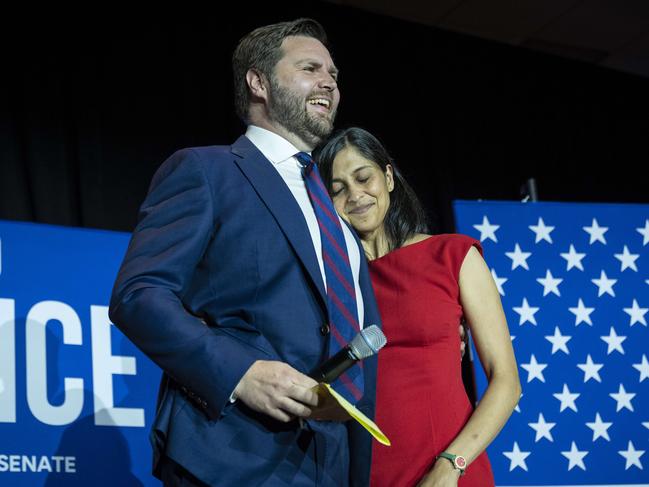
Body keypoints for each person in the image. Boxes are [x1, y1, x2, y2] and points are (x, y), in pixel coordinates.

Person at [109, 19, 383, 486]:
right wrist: (243, 373)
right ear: (259, 82)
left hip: (331, 465)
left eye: (334, 75)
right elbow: (139, 294)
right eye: (310, 68)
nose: (329, 83)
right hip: (231, 456)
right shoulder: (206, 170)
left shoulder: (336, 212)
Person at [315, 127, 521, 487]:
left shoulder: (453, 255)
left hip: (449, 470)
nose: (356, 195)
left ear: (389, 178)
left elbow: (507, 381)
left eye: (364, 178)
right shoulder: (332, 284)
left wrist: (451, 464)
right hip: (363, 473)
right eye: (338, 189)